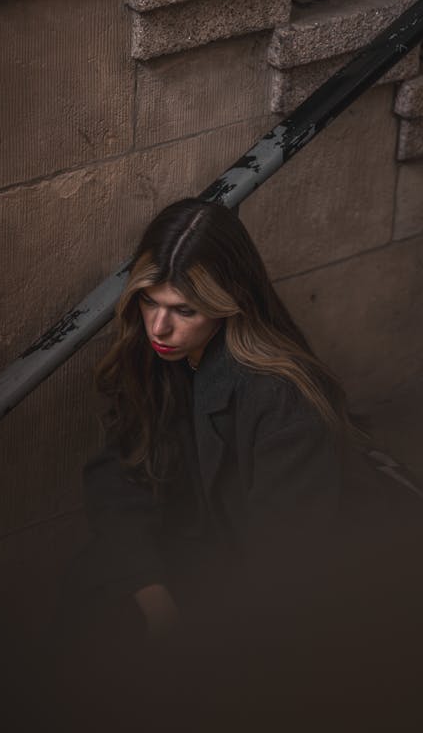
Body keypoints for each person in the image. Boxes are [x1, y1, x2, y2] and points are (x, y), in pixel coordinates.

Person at [81, 197, 357, 640]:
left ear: (231, 303)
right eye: (150, 302)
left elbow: (285, 563)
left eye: (184, 310)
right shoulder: (156, 352)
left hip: (263, 597)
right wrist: (155, 598)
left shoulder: (282, 398)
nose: (158, 327)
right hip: (185, 558)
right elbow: (116, 478)